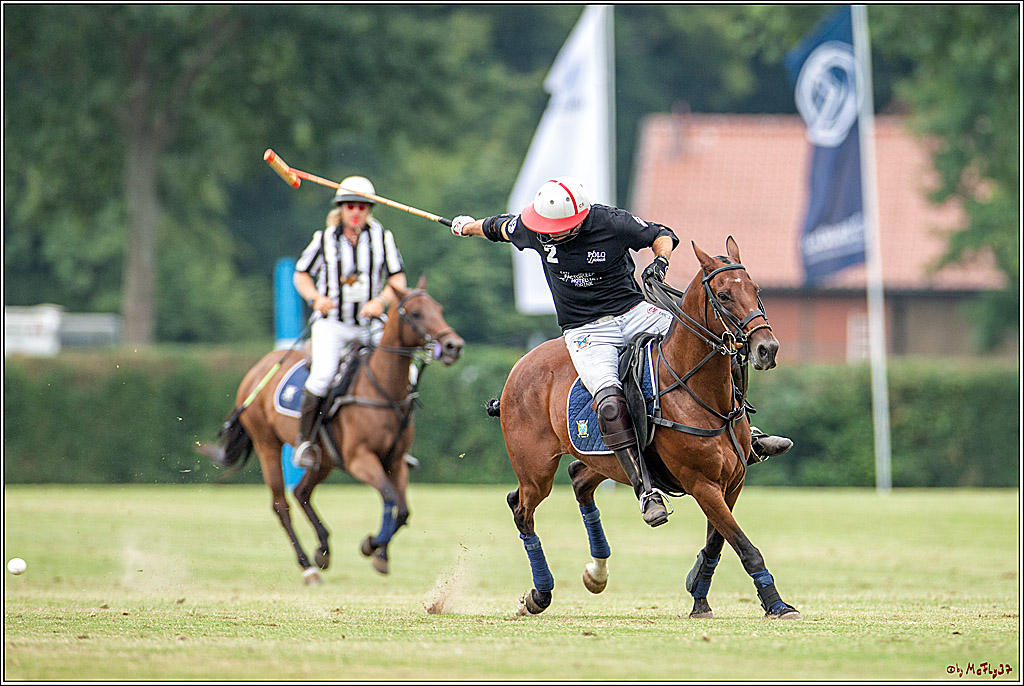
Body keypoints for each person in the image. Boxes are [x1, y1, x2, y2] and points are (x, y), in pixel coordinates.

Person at [449, 176, 791, 527]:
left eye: (560, 229)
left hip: (634, 313)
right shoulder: (536, 227)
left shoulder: (610, 222)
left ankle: (748, 434)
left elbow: (662, 234)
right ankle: (645, 490)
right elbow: (496, 227)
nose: (551, 235)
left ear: (581, 218)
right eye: (547, 230)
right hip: (586, 331)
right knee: (609, 400)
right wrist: (465, 226)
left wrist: (659, 262)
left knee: (709, 340)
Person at [291, 175, 408, 470]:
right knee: (323, 375)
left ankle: (399, 443)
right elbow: (301, 274)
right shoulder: (324, 239)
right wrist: (316, 298)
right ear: (341, 209)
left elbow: (397, 278)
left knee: (406, 373)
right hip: (334, 324)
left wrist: (380, 301)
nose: (356, 212)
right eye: (350, 206)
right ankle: (305, 442)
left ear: (369, 210)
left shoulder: (383, 238)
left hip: (371, 324)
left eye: (362, 207)